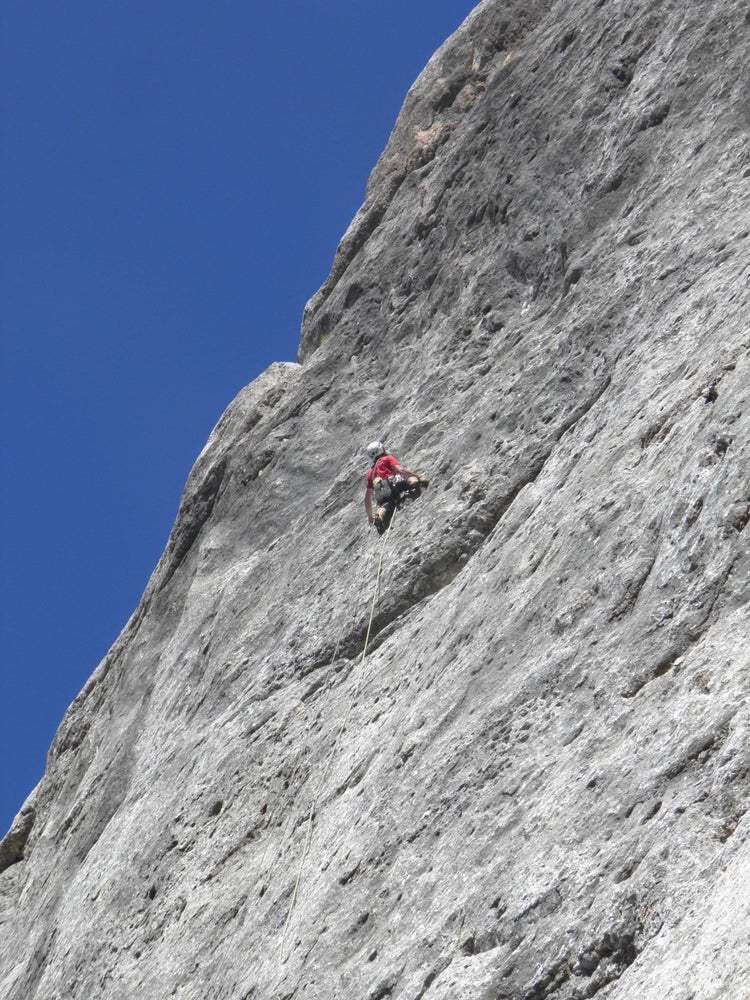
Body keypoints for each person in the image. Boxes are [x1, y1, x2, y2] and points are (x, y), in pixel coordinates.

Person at [364, 441, 424, 533]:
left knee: (386, 505)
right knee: (407, 479)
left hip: (381, 494)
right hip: (392, 485)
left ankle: (380, 516)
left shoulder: (371, 472)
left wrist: (370, 517)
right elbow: (401, 470)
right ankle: (413, 483)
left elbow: (367, 497)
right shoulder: (387, 458)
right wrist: (416, 475)